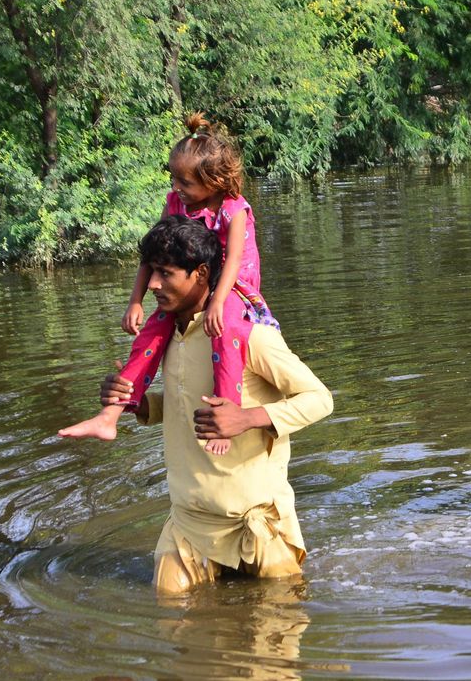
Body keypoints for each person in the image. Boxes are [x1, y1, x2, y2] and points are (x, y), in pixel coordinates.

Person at [91, 217, 332, 594]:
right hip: (188, 522)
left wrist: (248, 417)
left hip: (256, 523)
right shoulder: (166, 335)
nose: (152, 284)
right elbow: (182, 401)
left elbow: (320, 399)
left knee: (277, 624)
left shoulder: (251, 336)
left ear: (200, 274)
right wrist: (137, 407)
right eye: (151, 272)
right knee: (173, 618)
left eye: (165, 273)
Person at [60, 112, 274, 456]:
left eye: (185, 183)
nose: (176, 188)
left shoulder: (234, 208)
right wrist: (135, 300)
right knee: (152, 331)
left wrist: (218, 302)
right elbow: (153, 251)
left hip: (231, 287)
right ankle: (110, 414)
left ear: (215, 180)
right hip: (191, 286)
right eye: (174, 179)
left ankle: (225, 415)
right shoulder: (176, 202)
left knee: (227, 328)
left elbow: (233, 260)